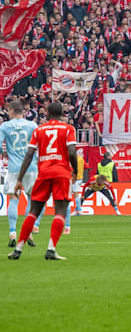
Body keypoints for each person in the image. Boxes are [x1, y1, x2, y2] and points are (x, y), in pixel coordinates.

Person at [7, 100, 77, 261]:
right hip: (61, 173)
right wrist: (76, 171)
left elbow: (29, 154)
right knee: (60, 211)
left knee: (33, 211)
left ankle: (18, 249)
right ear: (63, 114)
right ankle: (51, 249)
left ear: (47, 114)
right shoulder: (68, 129)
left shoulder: (39, 130)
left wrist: (19, 179)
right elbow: (72, 152)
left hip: (43, 173)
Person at [2, 100, 41, 247]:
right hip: (31, 167)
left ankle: (13, 232)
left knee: (13, 200)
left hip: (14, 168)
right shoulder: (32, 125)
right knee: (32, 199)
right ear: (23, 111)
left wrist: (5, 153)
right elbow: (39, 144)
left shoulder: (5, 126)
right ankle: (29, 231)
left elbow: (0, 145)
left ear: (11, 110)